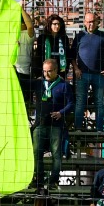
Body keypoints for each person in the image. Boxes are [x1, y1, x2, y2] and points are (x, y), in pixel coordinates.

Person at [32, 58, 74, 191]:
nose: (46, 74)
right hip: (40, 124)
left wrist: (61, 112)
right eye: (44, 71)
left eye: (49, 71)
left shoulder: (64, 85)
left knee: (56, 155)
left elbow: (71, 103)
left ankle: (53, 181)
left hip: (56, 125)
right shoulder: (38, 83)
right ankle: (38, 180)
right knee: (36, 153)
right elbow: (21, 84)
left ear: (56, 70)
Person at [71, 11, 104, 132]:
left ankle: (99, 128)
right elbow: (72, 55)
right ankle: (78, 128)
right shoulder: (79, 36)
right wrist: (76, 68)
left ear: (97, 22)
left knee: (100, 102)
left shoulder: (103, 36)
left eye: (93, 21)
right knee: (80, 102)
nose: (91, 24)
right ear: (85, 22)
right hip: (82, 74)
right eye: (88, 22)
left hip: (99, 75)